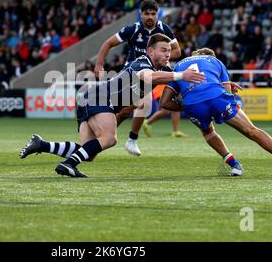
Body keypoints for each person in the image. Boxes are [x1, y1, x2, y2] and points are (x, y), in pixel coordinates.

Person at [19, 34, 204, 178]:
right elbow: (148, 77)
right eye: (163, 50)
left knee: (88, 150)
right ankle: (68, 165)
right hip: (99, 98)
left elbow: (170, 85)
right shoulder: (142, 62)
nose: (167, 54)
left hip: (90, 98)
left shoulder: (161, 71)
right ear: (150, 52)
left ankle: (41, 145)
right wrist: (181, 76)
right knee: (109, 139)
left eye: (169, 51)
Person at [160, 48, 272, 176]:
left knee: (208, 132)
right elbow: (226, 89)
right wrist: (226, 99)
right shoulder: (215, 61)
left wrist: (187, 107)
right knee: (251, 130)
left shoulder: (178, 66)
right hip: (217, 97)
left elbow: (164, 102)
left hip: (193, 105)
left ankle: (235, 166)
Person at [93, 0, 185, 157]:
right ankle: (102, 137)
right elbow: (108, 43)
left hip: (150, 74)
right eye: (146, 13)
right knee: (123, 111)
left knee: (143, 103)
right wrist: (99, 65)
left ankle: (131, 140)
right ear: (140, 14)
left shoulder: (164, 29)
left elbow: (177, 51)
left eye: (153, 13)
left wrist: (163, 57)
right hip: (131, 72)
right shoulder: (133, 29)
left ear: (157, 15)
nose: (150, 17)